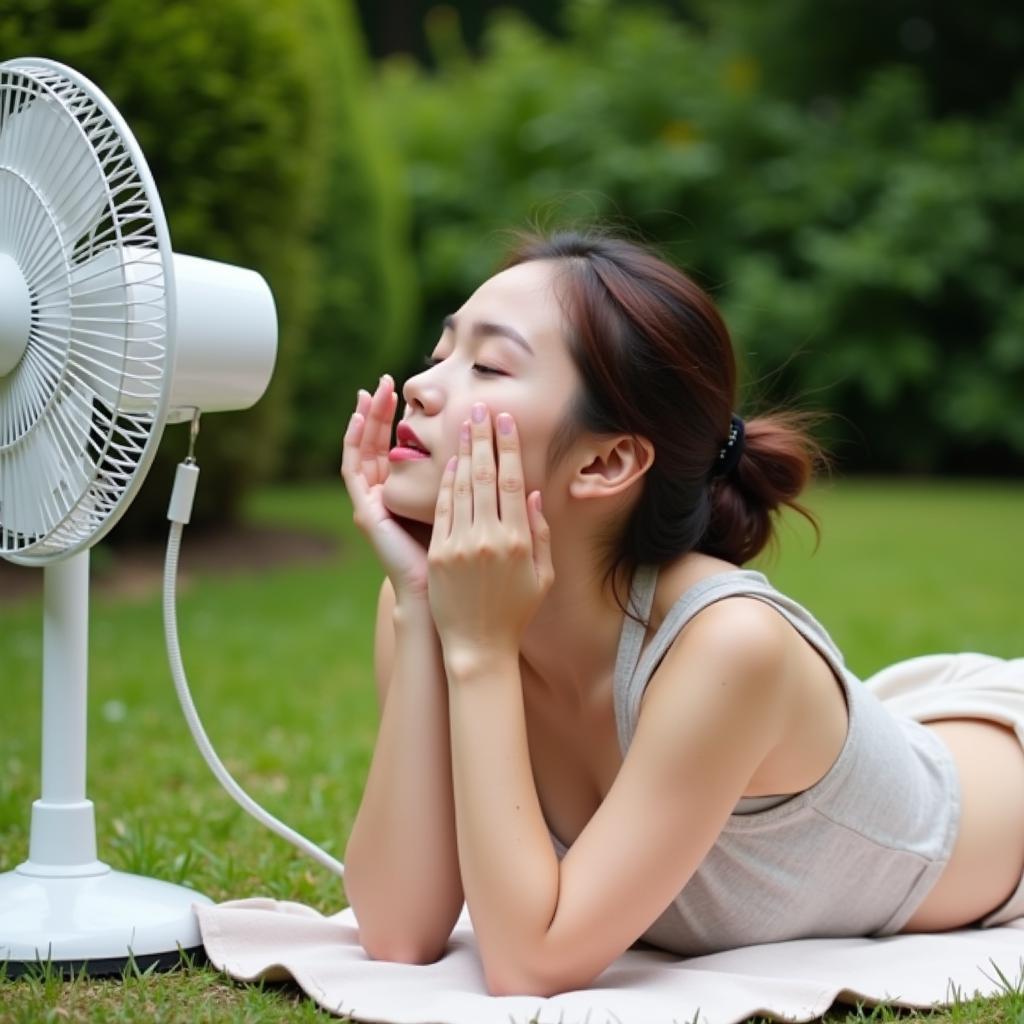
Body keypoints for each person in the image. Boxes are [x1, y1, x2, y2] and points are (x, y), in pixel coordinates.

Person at [339, 230, 1024, 997]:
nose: (425, 386)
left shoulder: (728, 645)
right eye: (439, 355)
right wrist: (426, 607)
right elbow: (399, 932)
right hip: (887, 738)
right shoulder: (439, 604)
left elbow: (528, 964)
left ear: (608, 462)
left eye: (489, 366)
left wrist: (482, 655)